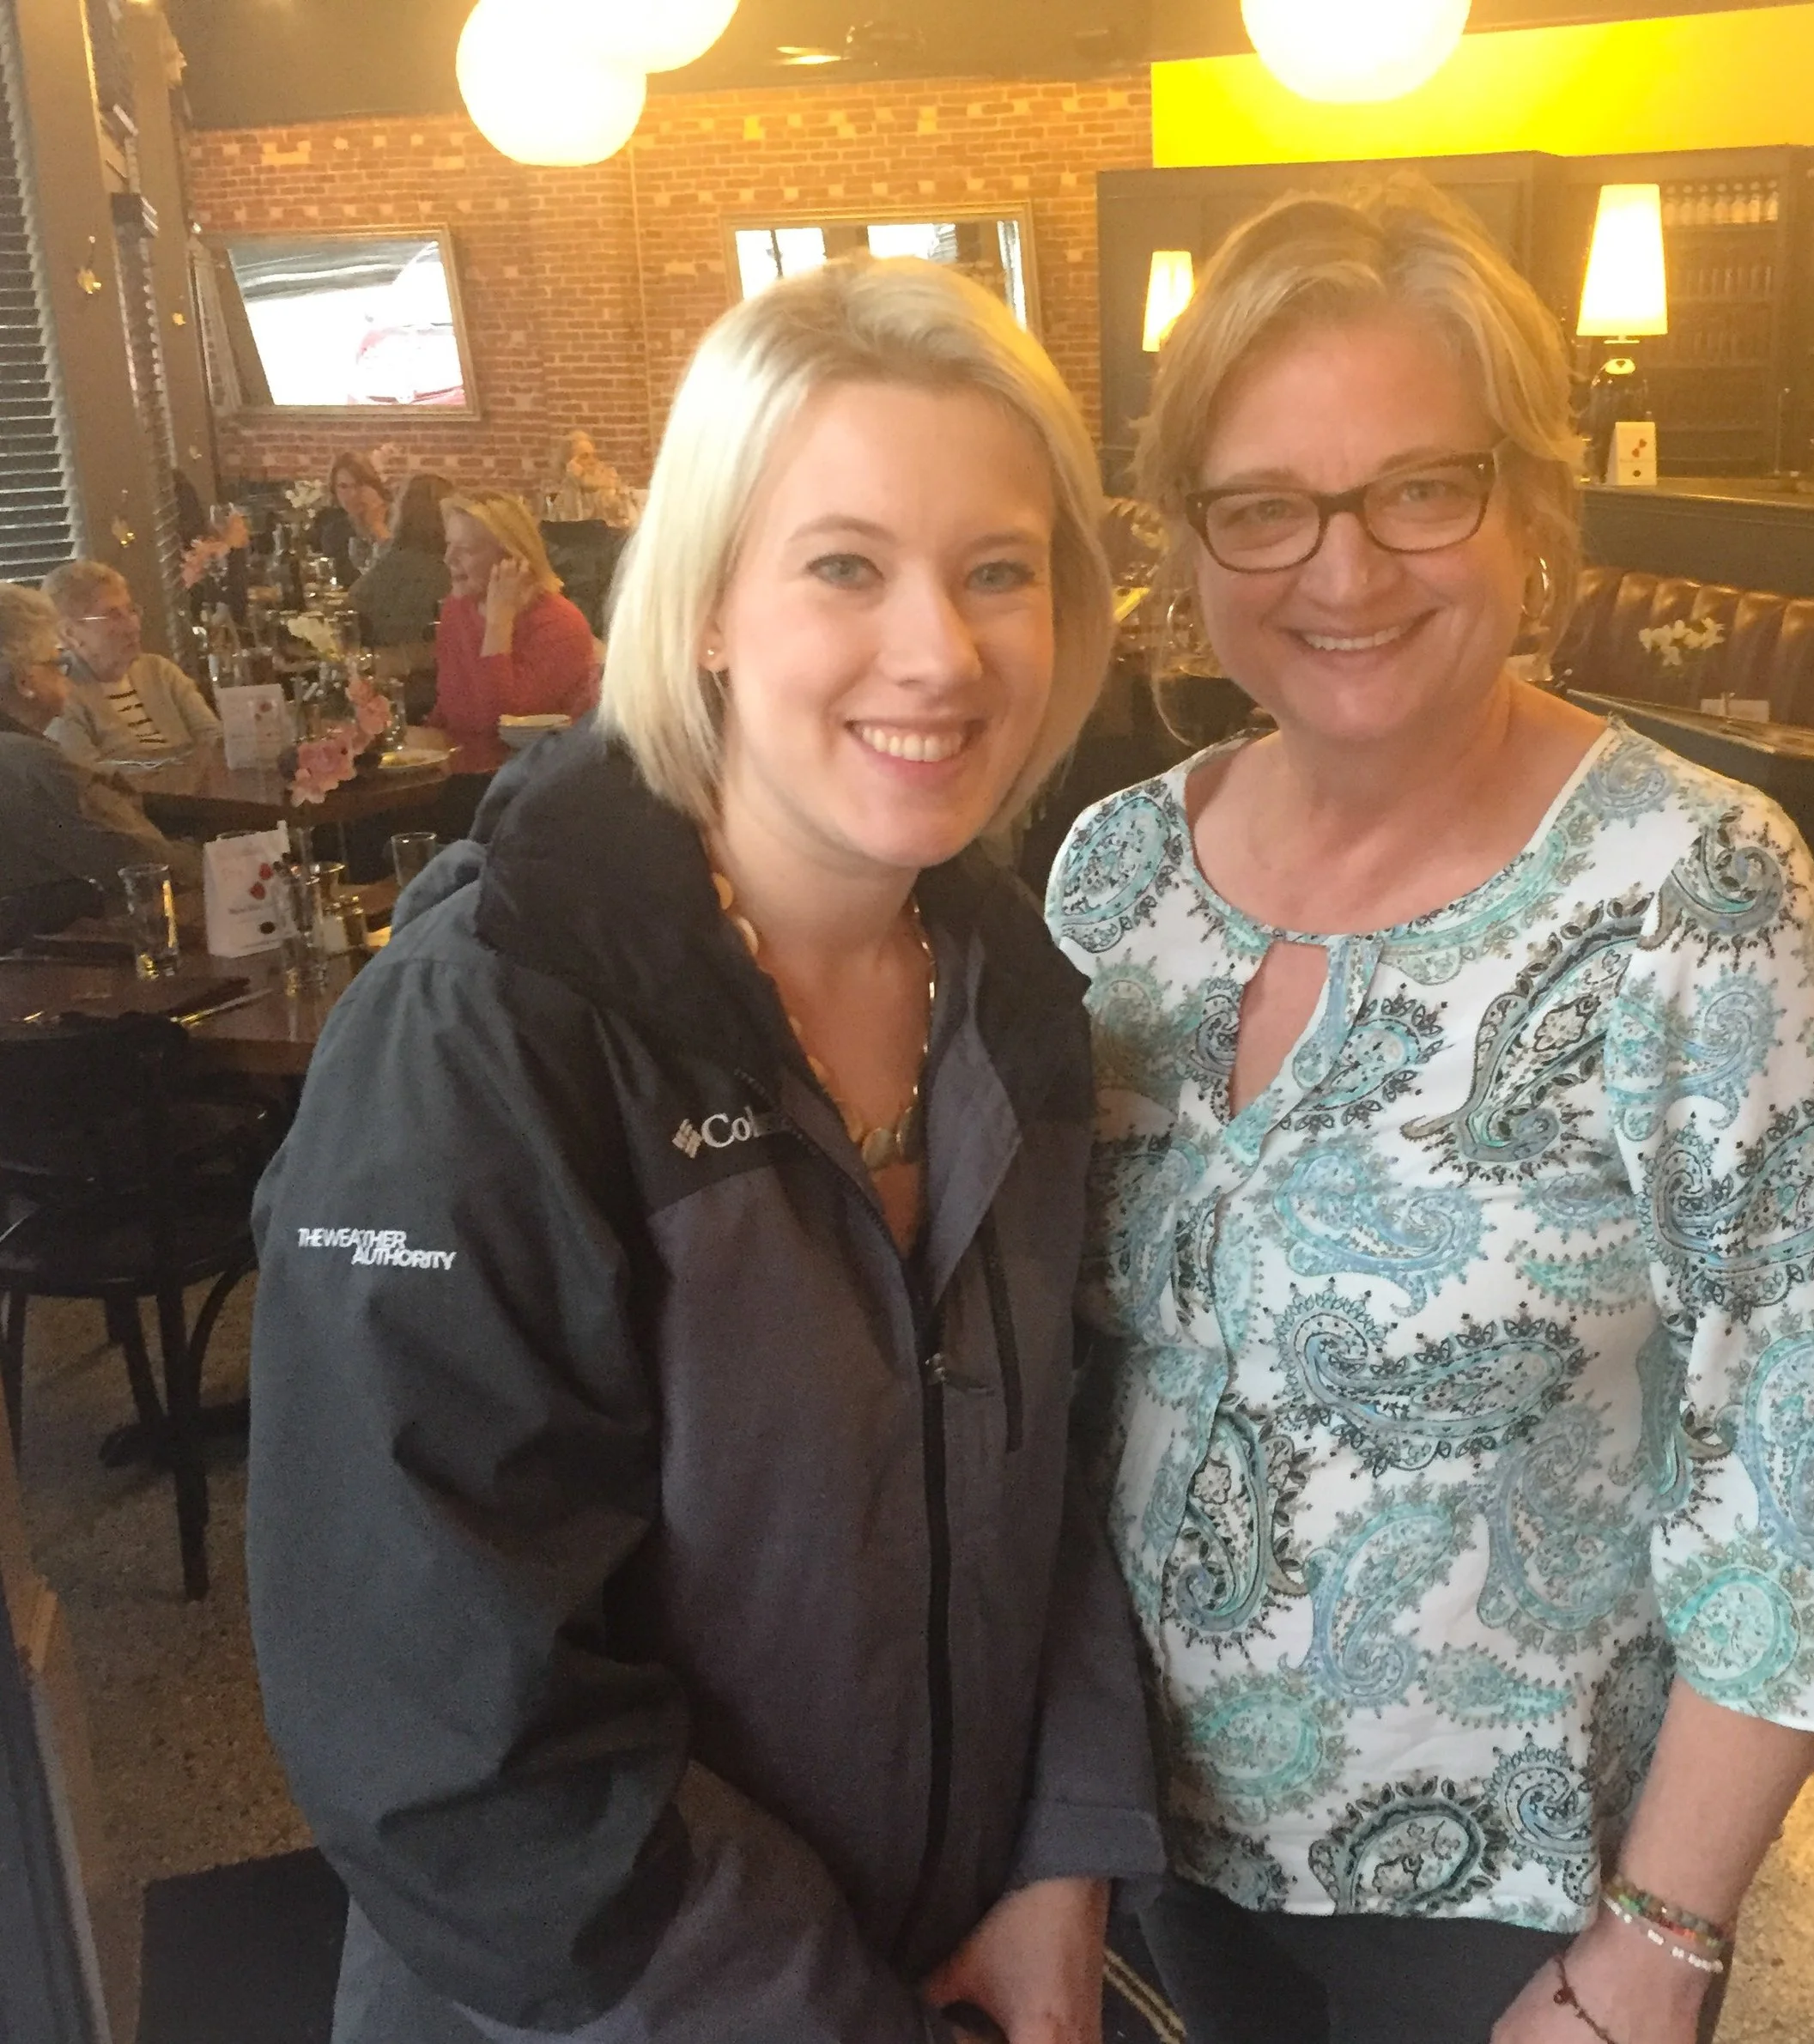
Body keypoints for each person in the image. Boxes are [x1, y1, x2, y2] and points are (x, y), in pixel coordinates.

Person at [246, 253, 1162, 2044]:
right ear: (711, 603)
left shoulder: (1016, 1001)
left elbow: (1048, 1481)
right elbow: (448, 1739)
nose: (940, 650)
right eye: (846, 565)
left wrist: (1063, 1855)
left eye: (999, 570)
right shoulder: (488, 1032)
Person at [1045, 187, 1814, 2044]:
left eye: (1418, 489)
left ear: (1533, 509)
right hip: (1113, 1860)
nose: (1341, 570)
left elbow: (1795, 1479)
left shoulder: (1698, 897)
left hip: (1511, 1912)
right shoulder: (1116, 877)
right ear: (1186, 539)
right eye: (1263, 505)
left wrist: (1655, 1949)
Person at [0, 585, 198, 943]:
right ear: (25, 682)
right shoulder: (32, 766)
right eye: (57, 663)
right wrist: (212, 855)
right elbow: (144, 862)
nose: (66, 673)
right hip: (58, 957)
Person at [428, 485, 598, 781]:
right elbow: (451, 710)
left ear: (511, 557)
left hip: (539, 783)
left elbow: (498, 725)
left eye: (466, 549)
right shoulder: (457, 610)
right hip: (464, 777)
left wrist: (498, 623)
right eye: (449, 544)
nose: (448, 558)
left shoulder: (560, 623)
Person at [42, 561, 221, 764]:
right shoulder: (59, 695)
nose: (133, 626)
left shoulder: (160, 671)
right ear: (70, 633)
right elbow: (89, 774)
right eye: (112, 615)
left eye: (131, 611)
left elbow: (214, 741)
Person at [349, 470, 454, 652]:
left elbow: (355, 601)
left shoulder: (391, 563)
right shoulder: (456, 566)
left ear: (402, 513)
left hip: (387, 663)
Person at [316, 451, 394, 584]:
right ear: (334, 490)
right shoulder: (335, 532)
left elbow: (400, 569)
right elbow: (338, 582)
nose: (352, 494)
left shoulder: (397, 520)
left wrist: (378, 526)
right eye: (343, 487)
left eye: (358, 485)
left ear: (372, 486)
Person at [543, 426, 636, 527]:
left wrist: (614, 489)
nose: (592, 461)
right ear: (569, 463)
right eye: (585, 456)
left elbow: (625, 518)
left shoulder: (604, 487)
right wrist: (573, 481)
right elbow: (570, 524)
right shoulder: (565, 493)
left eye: (593, 455)